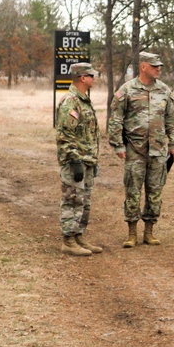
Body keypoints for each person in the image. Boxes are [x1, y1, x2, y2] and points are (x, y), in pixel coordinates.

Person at [108, 51, 174, 248]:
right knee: (133, 191)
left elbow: (171, 120)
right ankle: (132, 233)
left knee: (155, 192)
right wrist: (118, 144)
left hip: (157, 150)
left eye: (159, 66)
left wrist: (173, 144)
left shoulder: (164, 91)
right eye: (154, 66)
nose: (158, 69)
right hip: (134, 150)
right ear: (143, 67)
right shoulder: (127, 90)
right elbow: (115, 120)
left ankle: (149, 231)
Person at [56, 62, 104, 256]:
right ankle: (68, 240)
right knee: (72, 199)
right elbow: (65, 135)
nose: (94, 78)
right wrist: (74, 160)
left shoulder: (83, 100)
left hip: (87, 160)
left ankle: (78, 237)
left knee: (84, 201)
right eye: (91, 75)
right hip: (75, 160)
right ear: (82, 78)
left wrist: (92, 160)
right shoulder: (71, 101)